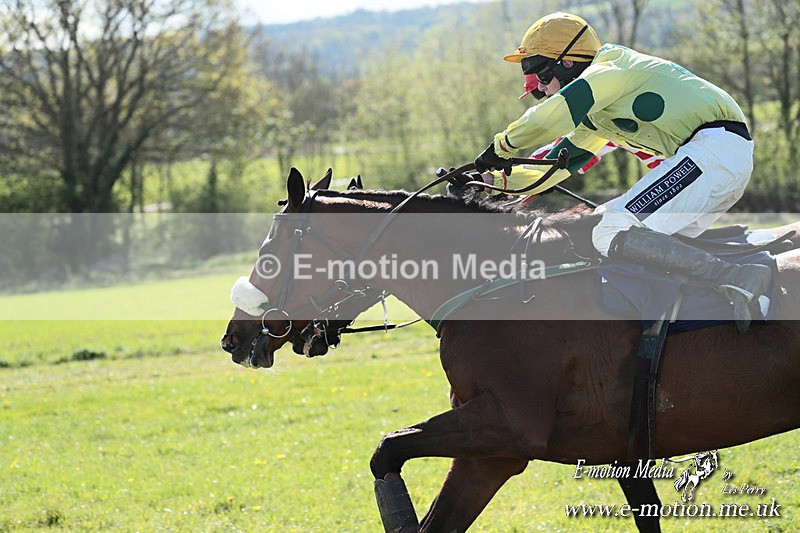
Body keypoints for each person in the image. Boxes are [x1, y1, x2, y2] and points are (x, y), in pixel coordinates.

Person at [473, 12, 770, 333]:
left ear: (567, 63)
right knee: (596, 224)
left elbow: (549, 118)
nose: (539, 90)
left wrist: (501, 146)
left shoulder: (611, 70)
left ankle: (736, 277)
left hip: (715, 151)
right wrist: (495, 182)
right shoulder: (598, 112)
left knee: (609, 228)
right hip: (711, 159)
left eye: (540, 77)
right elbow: (557, 164)